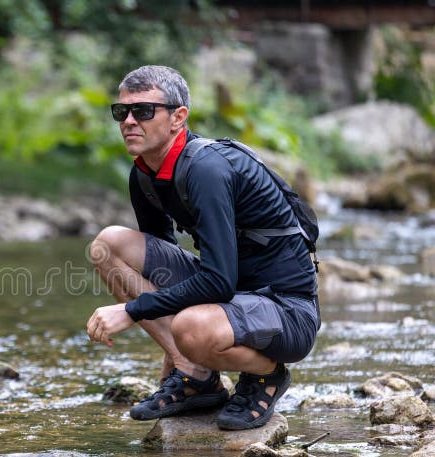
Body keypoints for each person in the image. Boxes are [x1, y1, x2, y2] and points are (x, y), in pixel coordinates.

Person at [86, 65, 320, 430]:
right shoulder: (145, 173)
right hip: (231, 298)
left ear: (178, 117)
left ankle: (267, 375)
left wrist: (133, 310)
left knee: (192, 327)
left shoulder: (208, 170)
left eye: (144, 111)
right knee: (108, 245)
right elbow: (157, 264)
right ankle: (195, 375)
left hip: (285, 309)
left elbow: (218, 282)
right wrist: (171, 346)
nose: (129, 121)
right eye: (122, 112)